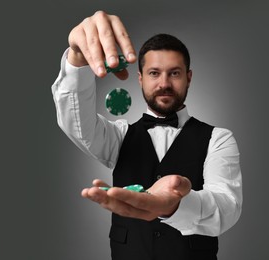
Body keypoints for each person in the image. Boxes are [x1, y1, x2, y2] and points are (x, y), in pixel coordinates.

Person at [52, 10, 242, 260]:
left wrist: (176, 206)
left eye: (174, 73)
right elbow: (77, 124)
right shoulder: (119, 137)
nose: (164, 83)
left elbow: (226, 206)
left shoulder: (218, 138)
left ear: (189, 78)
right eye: (154, 73)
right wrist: (77, 59)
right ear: (140, 79)